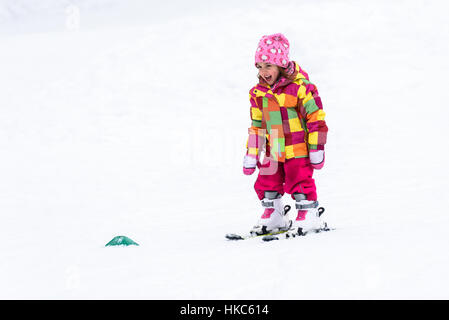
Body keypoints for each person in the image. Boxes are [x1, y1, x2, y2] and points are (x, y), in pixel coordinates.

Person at [243, 33, 328, 236]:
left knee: (299, 181)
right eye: (259, 66)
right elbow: (257, 125)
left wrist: (317, 147)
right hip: (273, 150)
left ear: (281, 65)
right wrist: (252, 153)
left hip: (297, 148)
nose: (263, 71)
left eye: (268, 65)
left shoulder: (300, 88)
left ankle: (308, 213)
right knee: (267, 181)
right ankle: (274, 213)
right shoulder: (258, 94)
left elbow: (316, 118)